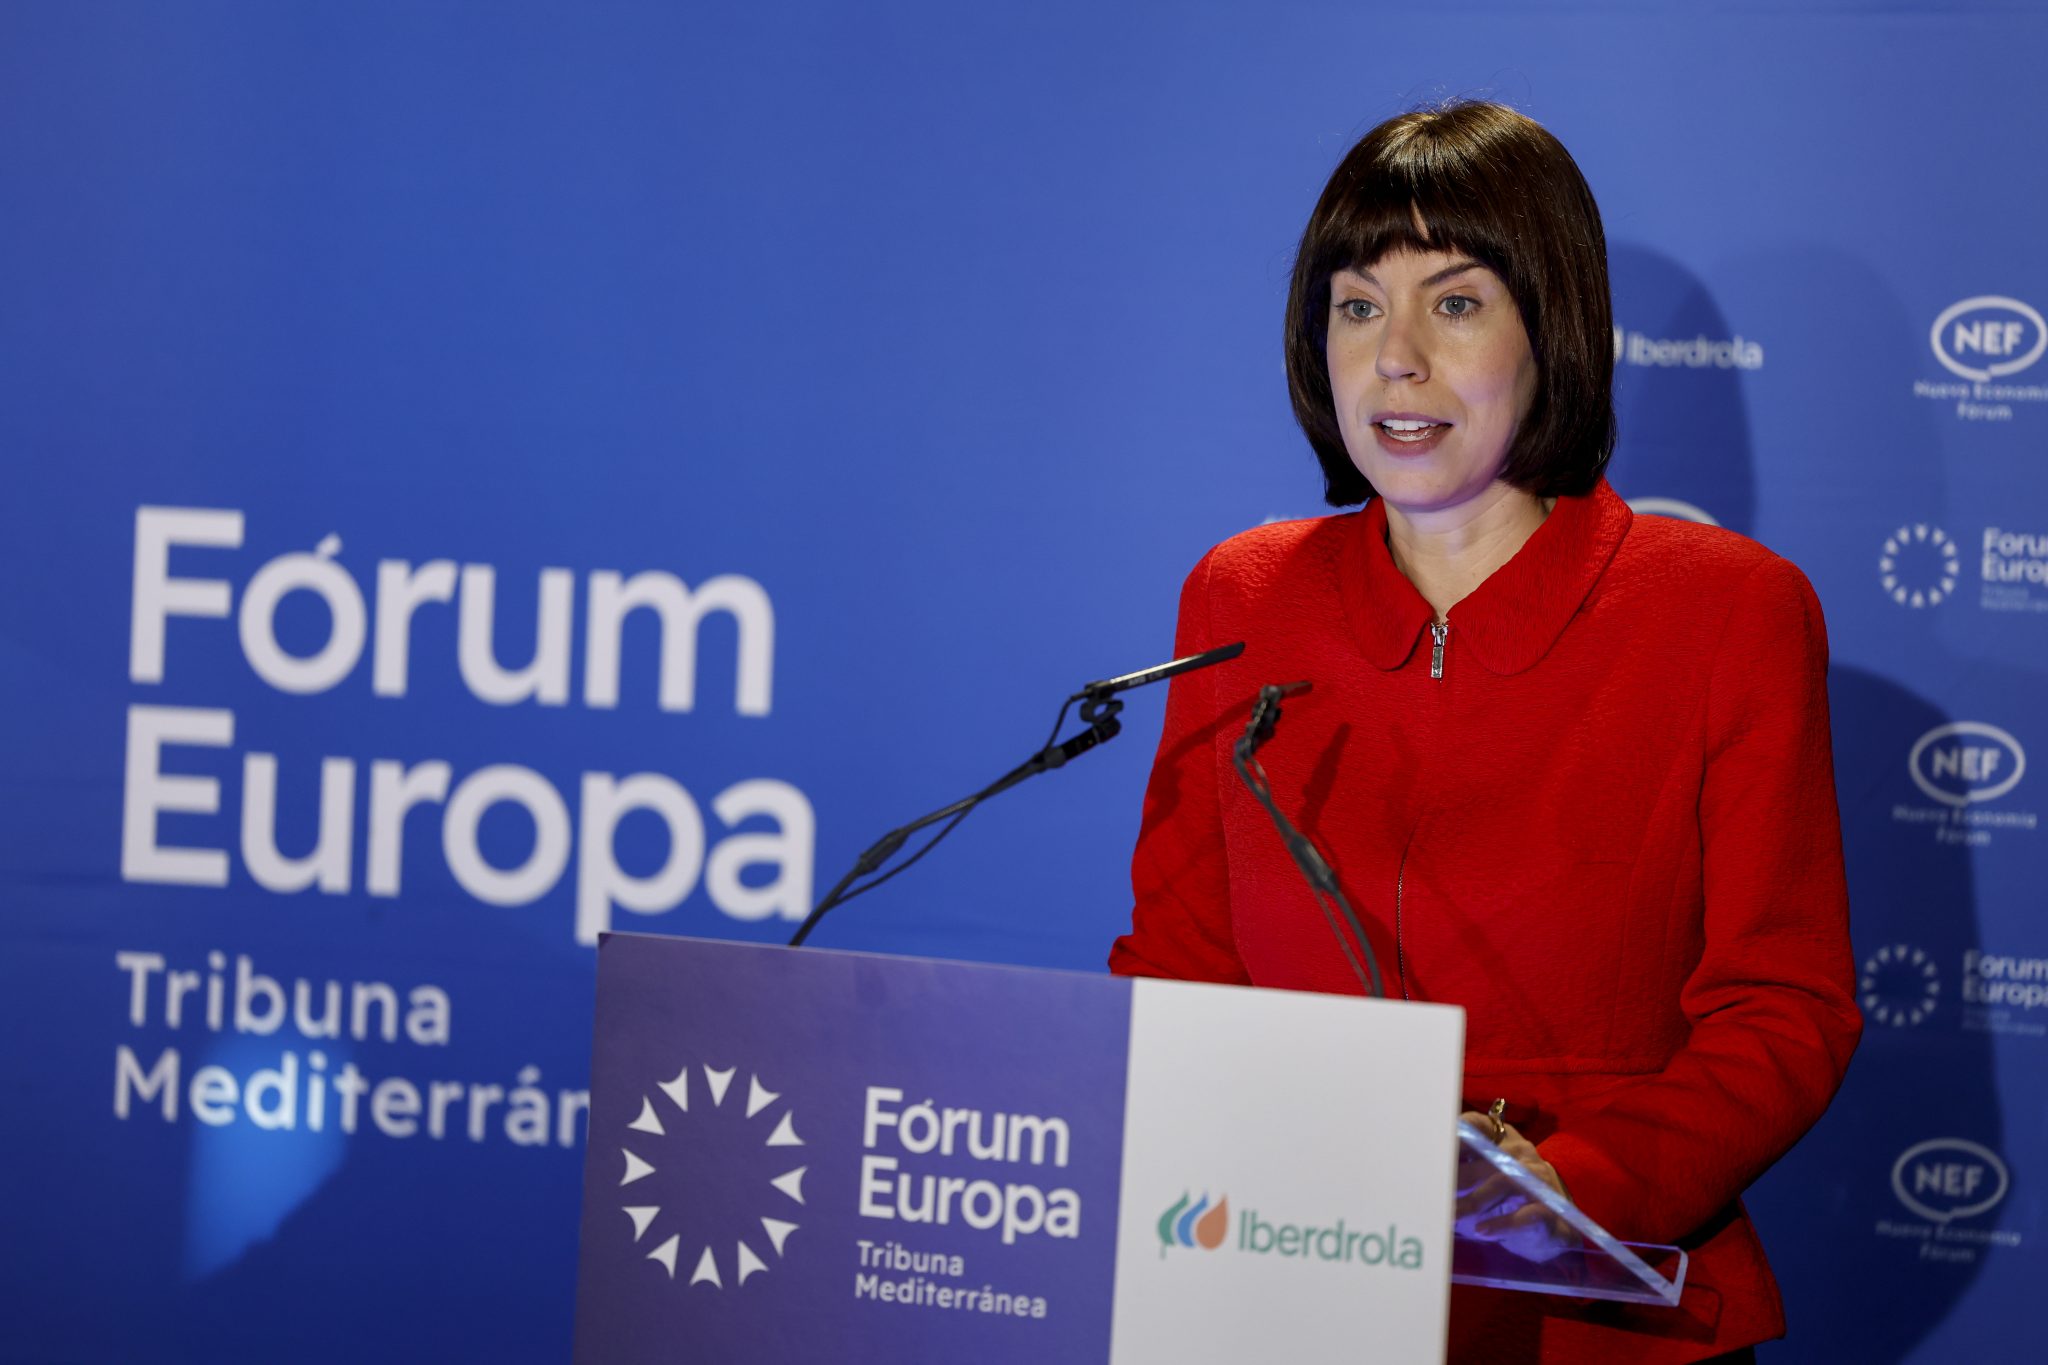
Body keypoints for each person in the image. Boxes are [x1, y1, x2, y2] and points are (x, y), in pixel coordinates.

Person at [1108, 101, 1861, 1364]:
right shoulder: (1242, 597)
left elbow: (1781, 1008)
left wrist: (1572, 1189)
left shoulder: (1729, 612)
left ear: (1550, 328)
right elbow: (1179, 966)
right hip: (1282, 1287)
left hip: (1590, 1310)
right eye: (1356, 306)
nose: (1394, 359)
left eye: (1453, 303)